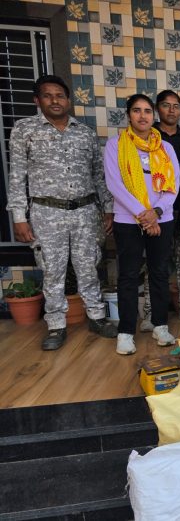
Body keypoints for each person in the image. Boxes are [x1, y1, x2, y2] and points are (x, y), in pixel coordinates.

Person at [7, 75, 117, 351]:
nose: (55, 100)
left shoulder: (85, 132)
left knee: (89, 267)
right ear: (37, 100)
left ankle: (97, 317)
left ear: (68, 100)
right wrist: (19, 217)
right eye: (48, 95)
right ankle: (56, 325)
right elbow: (17, 176)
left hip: (85, 211)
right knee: (53, 271)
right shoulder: (24, 130)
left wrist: (108, 209)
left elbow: (98, 175)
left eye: (60, 95)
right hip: (47, 212)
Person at [104, 94, 179, 355]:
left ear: (153, 115)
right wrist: (143, 215)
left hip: (161, 219)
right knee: (128, 275)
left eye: (147, 111)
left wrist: (155, 213)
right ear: (128, 115)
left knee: (159, 273)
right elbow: (115, 185)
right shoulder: (115, 145)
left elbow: (172, 186)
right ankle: (126, 332)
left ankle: (160, 326)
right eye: (137, 110)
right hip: (127, 220)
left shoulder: (165, 148)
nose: (143, 116)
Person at [140, 90, 180, 329]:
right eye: (166, 105)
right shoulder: (148, 137)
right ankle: (151, 314)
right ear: (157, 109)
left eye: (176, 106)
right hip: (156, 213)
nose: (171, 110)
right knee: (155, 264)